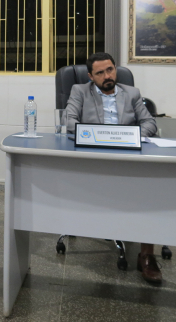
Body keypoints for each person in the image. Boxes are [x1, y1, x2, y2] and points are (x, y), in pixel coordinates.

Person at [65, 52, 161, 284]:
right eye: (100, 73)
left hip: (128, 156)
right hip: (93, 157)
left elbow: (150, 123)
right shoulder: (80, 91)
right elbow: (69, 121)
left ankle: (146, 255)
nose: (107, 76)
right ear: (91, 76)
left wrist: (130, 137)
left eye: (110, 70)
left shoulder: (132, 93)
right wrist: (98, 137)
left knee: (149, 190)